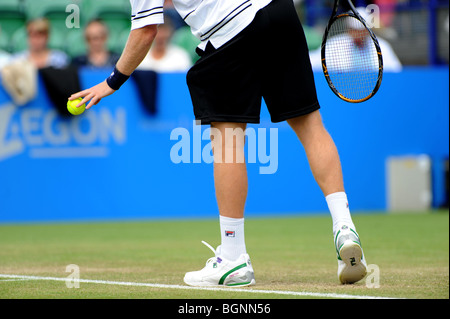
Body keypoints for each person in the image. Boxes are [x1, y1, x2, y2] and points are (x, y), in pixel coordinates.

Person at [69, 0, 368, 286]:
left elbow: (146, 29)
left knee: (227, 141)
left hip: (228, 32)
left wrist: (112, 81)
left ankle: (233, 257)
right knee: (311, 126)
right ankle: (344, 225)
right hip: (279, 13)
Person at [309, 7, 402, 72]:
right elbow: (313, 62)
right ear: (349, 29)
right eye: (354, 30)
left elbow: (396, 70)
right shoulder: (334, 44)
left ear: (368, 31)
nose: (358, 34)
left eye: (362, 30)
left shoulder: (382, 47)